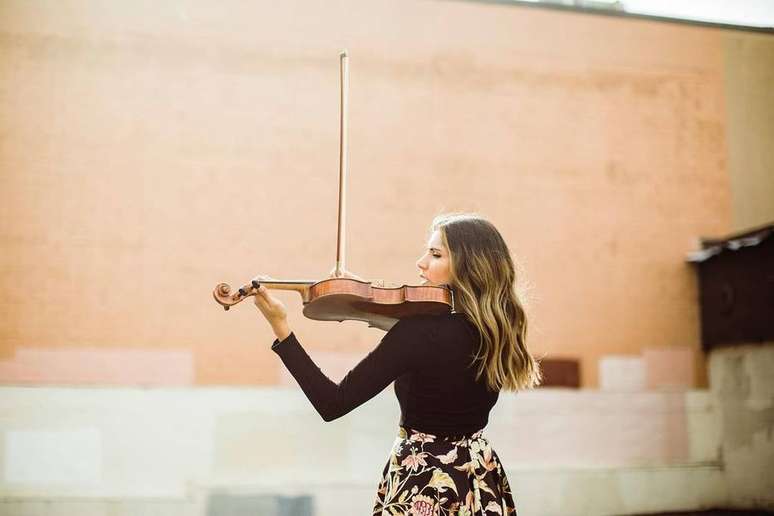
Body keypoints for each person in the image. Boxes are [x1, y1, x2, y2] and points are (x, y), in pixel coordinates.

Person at [253, 213, 542, 516]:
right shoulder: (497, 329)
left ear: (468, 264)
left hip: (423, 481)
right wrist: (360, 298)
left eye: (435, 254)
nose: (421, 262)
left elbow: (332, 403)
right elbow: (430, 342)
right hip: (479, 477)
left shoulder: (417, 333)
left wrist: (281, 327)